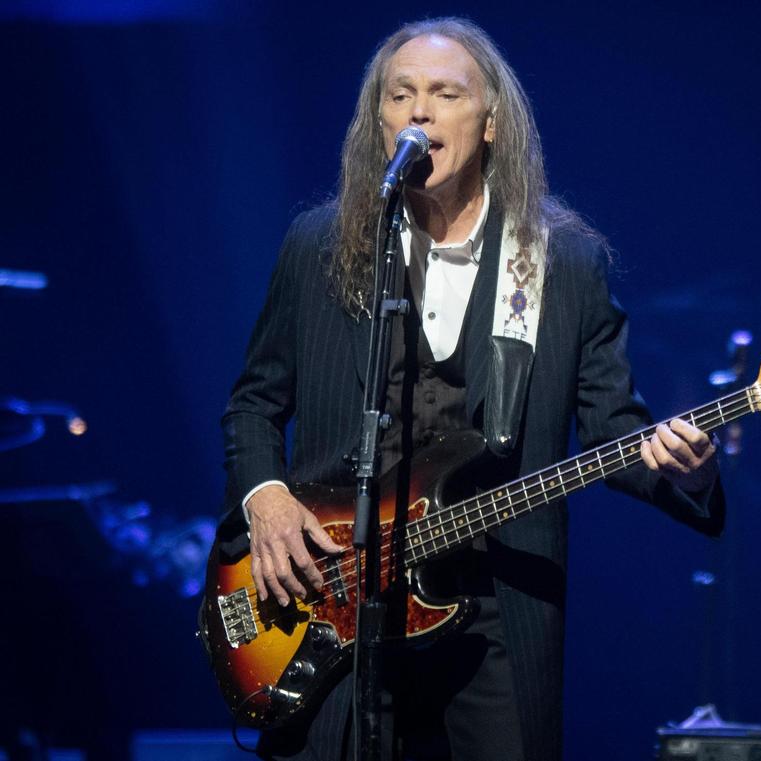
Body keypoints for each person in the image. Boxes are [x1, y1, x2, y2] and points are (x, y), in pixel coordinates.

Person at [218, 17, 725, 761]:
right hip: (335, 604)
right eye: (401, 95)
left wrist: (692, 468)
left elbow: (616, 431)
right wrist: (265, 497)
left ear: (489, 124)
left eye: (445, 93)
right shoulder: (321, 246)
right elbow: (254, 403)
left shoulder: (562, 264)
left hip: (495, 611)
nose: (419, 112)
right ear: (379, 120)